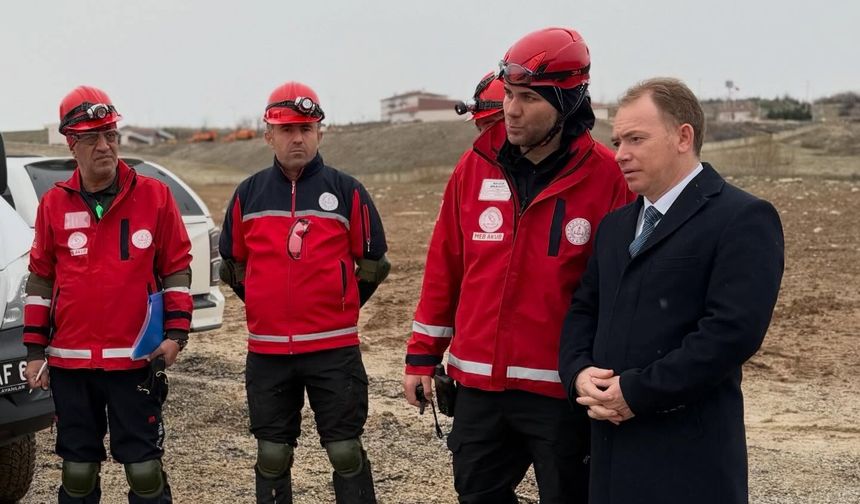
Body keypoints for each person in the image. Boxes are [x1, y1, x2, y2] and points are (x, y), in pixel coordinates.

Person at [403, 27, 633, 504]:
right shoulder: (474, 167)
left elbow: (622, 290)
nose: (511, 109)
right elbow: (445, 265)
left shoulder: (609, 179)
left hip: (562, 392)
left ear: (569, 100)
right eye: (508, 94)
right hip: (478, 386)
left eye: (527, 97)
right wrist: (423, 354)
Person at [558, 78, 784, 504]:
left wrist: (638, 392)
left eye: (636, 139)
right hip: (608, 452)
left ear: (684, 137)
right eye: (617, 140)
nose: (620, 154)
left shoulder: (742, 218)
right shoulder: (615, 227)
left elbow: (731, 333)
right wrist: (578, 374)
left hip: (687, 458)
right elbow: (584, 310)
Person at [219, 81, 390, 504]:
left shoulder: (347, 190)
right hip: (268, 351)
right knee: (272, 455)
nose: (298, 138)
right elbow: (232, 266)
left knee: (345, 451)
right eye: (287, 129)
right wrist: (263, 300)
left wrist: (341, 302)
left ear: (320, 133)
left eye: (307, 129)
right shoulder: (248, 194)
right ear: (268, 135)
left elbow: (374, 263)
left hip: (334, 349)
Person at [23, 85, 193, 503]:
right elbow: (41, 280)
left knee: (144, 472)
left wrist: (176, 336)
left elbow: (176, 269)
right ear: (72, 143)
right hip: (71, 364)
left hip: (135, 362)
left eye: (111, 134)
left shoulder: (154, 197)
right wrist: (32, 351)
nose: (105, 146)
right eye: (92, 138)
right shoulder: (53, 205)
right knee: (78, 474)